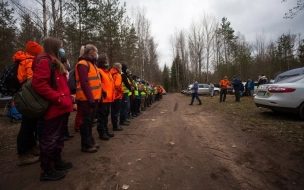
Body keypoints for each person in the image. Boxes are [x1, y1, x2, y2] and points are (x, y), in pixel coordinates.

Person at [32, 37, 73, 181]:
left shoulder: (55, 62)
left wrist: (67, 99)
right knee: (50, 138)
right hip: (54, 107)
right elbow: (39, 84)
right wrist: (58, 98)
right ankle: (46, 169)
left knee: (58, 137)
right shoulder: (45, 62)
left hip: (61, 107)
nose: (62, 50)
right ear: (54, 47)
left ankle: (56, 161)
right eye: (60, 47)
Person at [15, 41, 43, 166]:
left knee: (31, 124)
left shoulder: (25, 60)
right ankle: (23, 153)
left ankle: (31, 146)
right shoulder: (29, 62)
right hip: (29, 99)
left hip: (28, 97)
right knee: (27, 125)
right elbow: (33, 81)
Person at [75, 45, 101, 153]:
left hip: (94, 98)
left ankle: (90, 141)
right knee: (86, 122)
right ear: (91, 52)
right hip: (86, 99)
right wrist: (90, 99)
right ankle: (86, 145)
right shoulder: (82, 64)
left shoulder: (92, 65)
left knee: (90, 121)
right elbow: (84, 83)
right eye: (96, 52)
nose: (96, 54)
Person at [96, 53, 115, 140]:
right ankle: (101, 132)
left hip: (109, 98)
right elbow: (98, 84)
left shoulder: (108, 72)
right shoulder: (99, 71)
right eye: (105, 60)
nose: (107, 61)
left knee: (106, 116)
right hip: (103, 98)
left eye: (107, 60)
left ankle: (106, 130)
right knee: (101, 117)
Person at [60, 56, 74, 141]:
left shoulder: (66, 72)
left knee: (66, 116)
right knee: (63, 117)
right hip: (63, 96)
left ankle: (66, 133)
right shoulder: (61, 72)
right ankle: (62, 134)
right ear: (64, 63)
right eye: (67, 62)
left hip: (68, 95)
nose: (68, 63)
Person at [110, 62, 124, 131]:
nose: (121, 69)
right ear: (118, 68)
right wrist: (122, 89)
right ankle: (115, 126)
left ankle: (114, 124)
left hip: (111, 95)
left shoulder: (110, 73)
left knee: (112, 111)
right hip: (117, 95)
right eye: (120, 67)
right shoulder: (118, 75)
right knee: (116, 111)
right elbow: (117, 85)